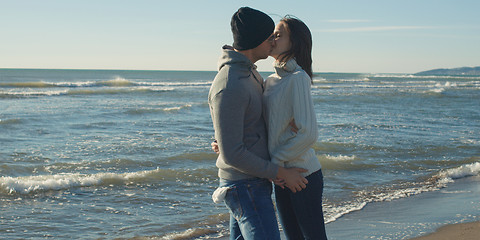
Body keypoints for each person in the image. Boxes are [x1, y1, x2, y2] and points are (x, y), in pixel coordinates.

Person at [208, 7, 309, 240]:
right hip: (245, 186)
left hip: (252, 182)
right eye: (269, 36)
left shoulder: (250, 74)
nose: (273, 41)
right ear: (256, 40)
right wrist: (281, 172)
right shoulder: (230, 84)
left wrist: (288, 121)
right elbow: (233, 153)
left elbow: (245, 124)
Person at [264, 16, 328, 239]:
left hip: (302, 174)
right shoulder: (269, 81)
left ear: (295, 43)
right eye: (272, 33)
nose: (272, 38)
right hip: (282, 175)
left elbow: (308, 133)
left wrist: (275, 163)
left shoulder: (298, 78)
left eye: (278, 34)